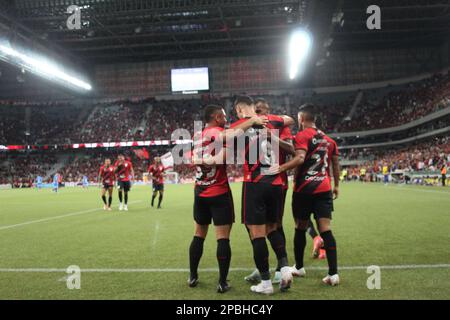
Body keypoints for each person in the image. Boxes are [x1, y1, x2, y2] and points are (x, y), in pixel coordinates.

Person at [188, 104, 268, 293]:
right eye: (224, 117)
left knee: (199, 234)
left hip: (200, 192)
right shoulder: (217, 132)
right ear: (216, 117)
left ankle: (192, 276)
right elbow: (227, 144)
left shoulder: (196, 136)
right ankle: (222, 282)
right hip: (218, 192)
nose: (227, 120)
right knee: (222, 238)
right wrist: (252, 121)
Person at [230, 96, 294, 294]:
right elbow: (290, 119)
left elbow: (226, 137)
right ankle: (284, 270)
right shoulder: (271, 120)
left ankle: (265, 283)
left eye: (237, 111)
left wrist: (248, 121)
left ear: (240, 110)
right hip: (276, 182)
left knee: (256, 233)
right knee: (273, 229)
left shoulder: (240, 124)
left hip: (256, 182)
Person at [272, 104, 341, 286]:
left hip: (304, 189)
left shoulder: (302, 136)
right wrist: (337, 186)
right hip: (324, 187)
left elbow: (299, 158)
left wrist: (281, 168)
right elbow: (335, 163)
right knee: (325, 229)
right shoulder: (329, 140)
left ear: (301, 119)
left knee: (300, 227)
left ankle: (300, 267)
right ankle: (333, 273)